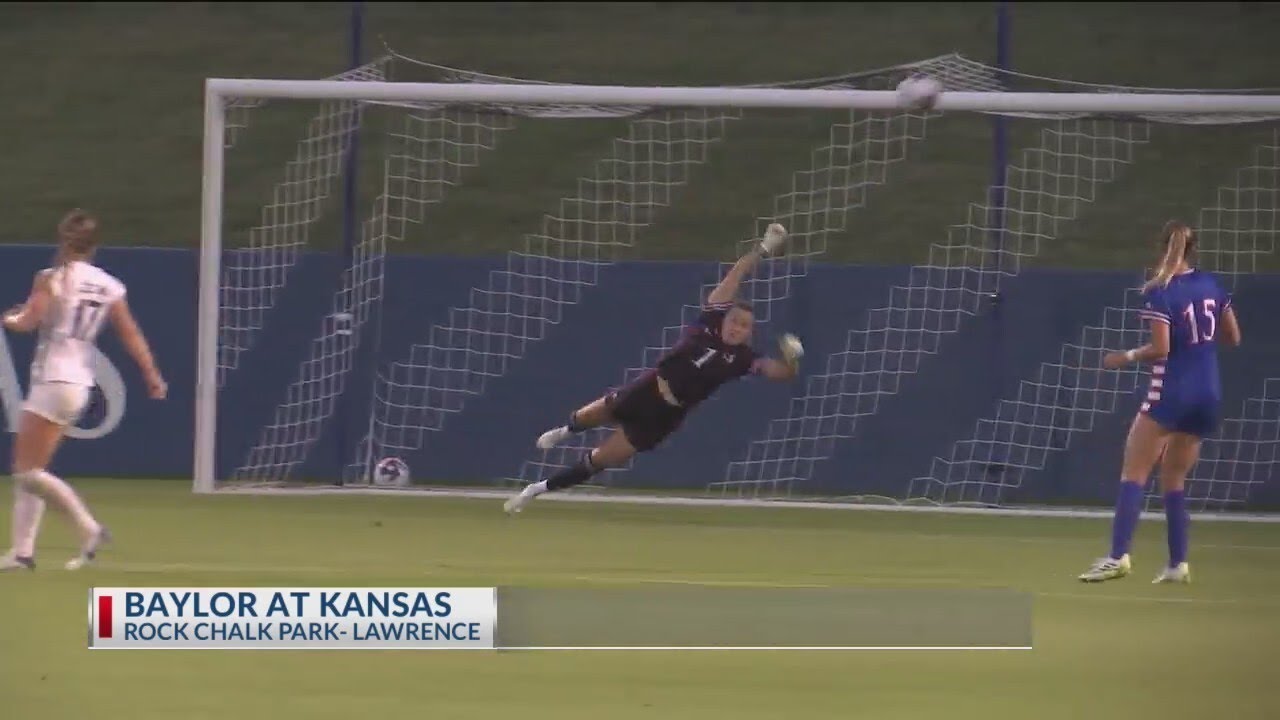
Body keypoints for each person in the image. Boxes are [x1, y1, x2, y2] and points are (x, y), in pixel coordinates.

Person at [504, 223, 803, 514]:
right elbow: (737, 273)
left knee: (600, 461)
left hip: (666, 416)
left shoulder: (742, 359)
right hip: (648, 389)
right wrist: (764, 249)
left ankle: (535, 490)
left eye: (745, 326)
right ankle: (565, 431)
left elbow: (780, 373)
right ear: (726, 318)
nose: (738, 328)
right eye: (735, 321)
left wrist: (792, 360)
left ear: (750, 332)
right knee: (587, 417)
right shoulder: (711, 318)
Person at [1, 210, 167, 572]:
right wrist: (151, 374)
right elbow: (131, 334)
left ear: (63, 240)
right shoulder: (109, 285)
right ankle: (22, 552)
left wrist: (9, 318)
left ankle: (88, 528)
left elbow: (28, 321)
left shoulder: (51, 278)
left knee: (26, 472)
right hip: (80, 383)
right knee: (33, 470)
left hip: (52, 379)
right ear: (94, 246)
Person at [1079, 220, 1241, 584]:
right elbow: (1233, 336)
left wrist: (1127, 356)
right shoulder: (1212, 285)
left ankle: (1118, 556)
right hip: (1208, 392)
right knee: (1174, 478)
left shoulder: (1161, 292)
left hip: (1172, 391)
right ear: (1193, 249)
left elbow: (1161, 349)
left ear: (1162, 248)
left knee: (1134, 472)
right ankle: (1177, 563)